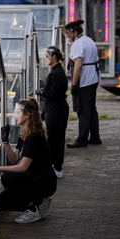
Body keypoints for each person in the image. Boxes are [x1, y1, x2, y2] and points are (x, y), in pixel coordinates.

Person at [0, 97, 57, 224]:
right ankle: (39, 202)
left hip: (44, 181)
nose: (15, 116)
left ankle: (32, 210)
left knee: (7, 178)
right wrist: (5, 141)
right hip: (33, 179)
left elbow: (22, 167)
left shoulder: (34, 136)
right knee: (0, 202)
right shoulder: (24, 134)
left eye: (18, 112)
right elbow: (14, 159)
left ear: (27, 115)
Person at [64, 19, 102, 148]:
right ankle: (95, 137)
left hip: (85, 80)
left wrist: (74, 85)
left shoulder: (78, 44)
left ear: (74, 31)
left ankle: (82, 139)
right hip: (94, 79)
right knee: (91, 109)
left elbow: (78, 65)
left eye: (68, 33)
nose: (67, 36)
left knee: (83, 111)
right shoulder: (88, 40)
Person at [36, 46, 69, 178]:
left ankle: (57, 168)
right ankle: (54, 167)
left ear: (54, 56)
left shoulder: (58, 73)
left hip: (57, 111)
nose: (45, 58)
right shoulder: (56, 72)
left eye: (47, 55)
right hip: (54, 110)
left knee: (56, 140)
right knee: (54, 139)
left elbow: (54, 93)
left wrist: (42, 92)